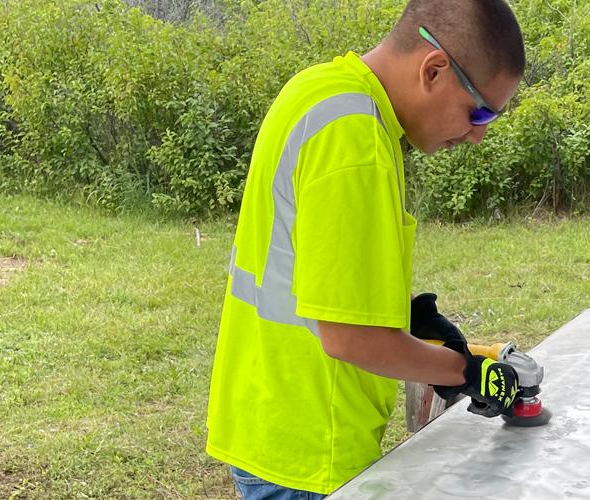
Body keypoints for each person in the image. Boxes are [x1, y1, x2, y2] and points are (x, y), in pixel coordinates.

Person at [204, 0, 526, 498]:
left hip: (269, 417)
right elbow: (350, 339)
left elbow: (312, 271)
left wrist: (404, 320)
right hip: (313, 449)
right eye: (478, 110)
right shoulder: (356, 139)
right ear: (434, 69)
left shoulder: (319, 89)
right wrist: (465, 372)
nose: (478, 134)